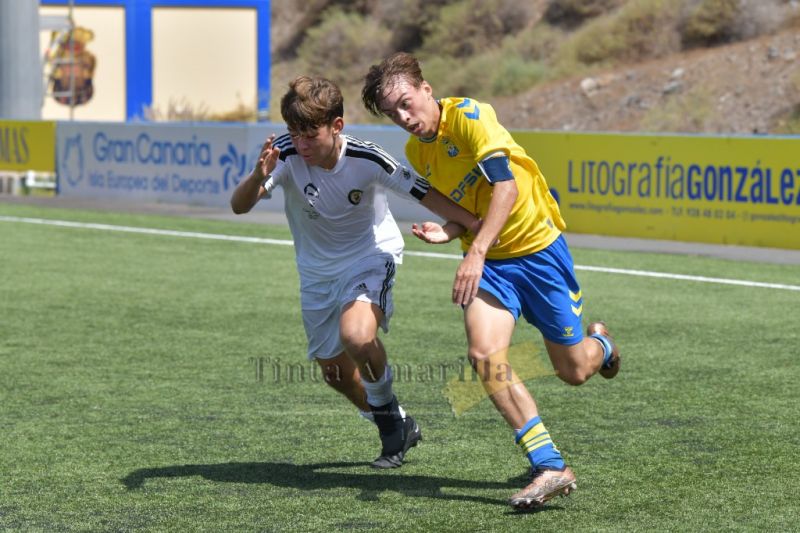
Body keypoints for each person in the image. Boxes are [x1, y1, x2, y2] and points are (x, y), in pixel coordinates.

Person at [362, 53, 621, 508]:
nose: (404, 118)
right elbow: (470, 211)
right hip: (492, 266)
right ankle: (549, 464)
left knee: (575, 370)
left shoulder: (471, 117)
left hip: (538, 253)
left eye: (407, 103)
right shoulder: (416, 151)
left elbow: (507, 188)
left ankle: (601, 344)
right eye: (393, 113)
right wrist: (453, 232)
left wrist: (475, 251)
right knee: (484, 354)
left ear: (426, 89)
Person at [231, 76, 481, 468]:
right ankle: (396, 423)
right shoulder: (283, 153)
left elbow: (424, 194)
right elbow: (239, 206)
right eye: (294, 134)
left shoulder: (369, 160)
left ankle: (388, 427)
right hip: (316, 274)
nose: (301, 144)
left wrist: (475, 226)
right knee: (335, 374)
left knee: (357, 335)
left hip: (370, 256)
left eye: (310, 134)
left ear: (337, 126)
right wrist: (257, 176)